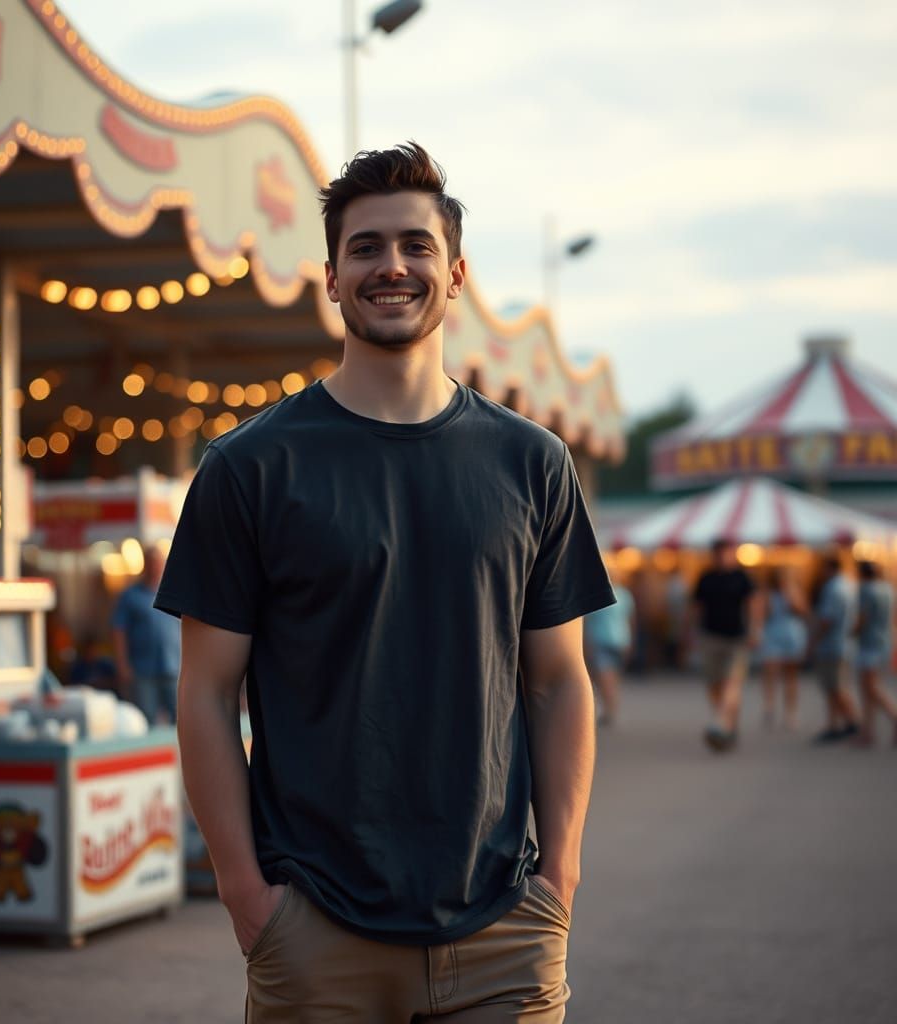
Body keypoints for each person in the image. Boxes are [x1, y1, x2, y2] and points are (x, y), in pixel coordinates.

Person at [156, 142, 614, 1022]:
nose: (391, 266)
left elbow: (559, 681)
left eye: (415, 245)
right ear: (331, 278)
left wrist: (559, 879)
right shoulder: (250, 468)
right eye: (364, 248)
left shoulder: (533, 462)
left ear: (456, 275)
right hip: (316, 932)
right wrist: (246, 894)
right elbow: (206, 693)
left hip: (504, 932)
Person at [688, 538, 762, 752]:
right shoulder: (706, 578)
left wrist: (755, 630)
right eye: (718, 553)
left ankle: (721, 723)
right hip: (710, 637)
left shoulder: (742, 578)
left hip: (736, 639)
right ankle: (727, 723)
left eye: (726, 552)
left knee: (732, 682)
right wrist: (689, 634)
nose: (722, 557)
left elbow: (754, 605)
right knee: (714, 685)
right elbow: (696, 607)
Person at [112, 545, 180, 724]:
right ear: (145, 565)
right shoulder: (130, 596)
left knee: (180, 715)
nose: (155, 567)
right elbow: (119, 630)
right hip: (143, 668)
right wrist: (122, 664)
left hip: (173, 665)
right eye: (151, 563)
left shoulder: (174, 592)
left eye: (158, 563)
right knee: (147, 717)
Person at [809, 554, 860, 744]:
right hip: (843, 643)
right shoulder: (849, 585)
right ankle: (838, 724)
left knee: (835, 687)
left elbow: (826, 619)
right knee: (835, 687)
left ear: (829, 568)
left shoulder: (832, 588)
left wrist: (813, 641)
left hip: (832, 645)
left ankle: (851, 722)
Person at [758, 567, 808, 731]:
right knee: (770, 672)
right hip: (773, 634)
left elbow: (803, 611)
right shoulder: (768, 594)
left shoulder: (795, 592)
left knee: (790, 676)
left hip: (792, 635)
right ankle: (769, 707)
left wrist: (791, 599)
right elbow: (762, 614)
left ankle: (790, 712)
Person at [583, 567, 635, 725]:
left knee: (606, 676)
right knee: (612, 676)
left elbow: (587, 621)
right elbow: (631, 619)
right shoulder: (625, 594)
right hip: (620, 639)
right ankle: (610, 708)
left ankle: (610, 710)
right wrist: (631, 640)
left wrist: (587, 643)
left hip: (602, 639)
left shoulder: (595, 594)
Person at [852, 560, 896, 747]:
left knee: (870, 688)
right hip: (884, 640)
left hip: (869, 642)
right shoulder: (887, 589)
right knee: (869, 688)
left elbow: (862, 618)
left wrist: (852, 631)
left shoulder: (866, 590)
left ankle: (891, 717)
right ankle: (868, 731)